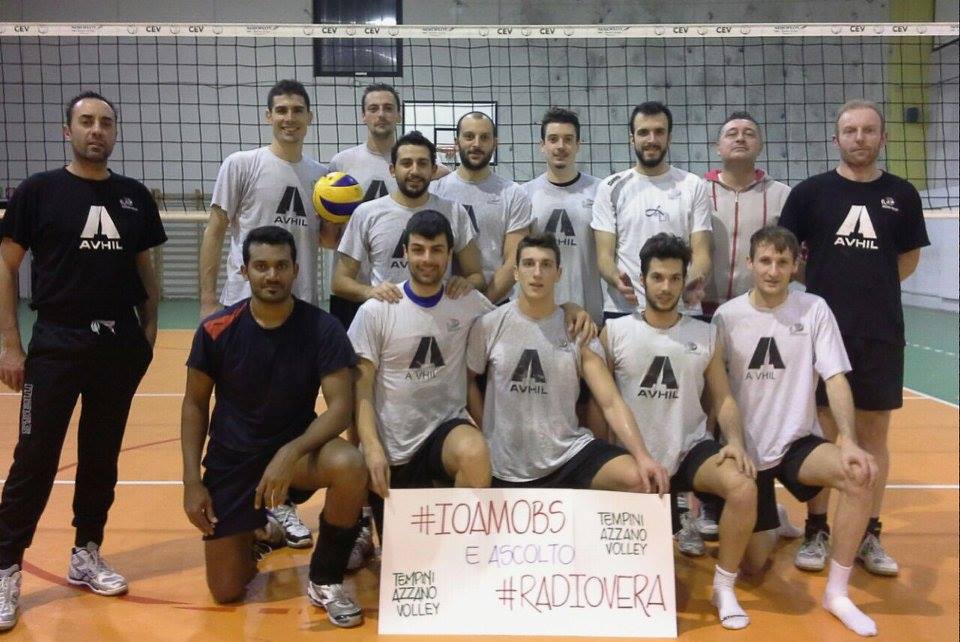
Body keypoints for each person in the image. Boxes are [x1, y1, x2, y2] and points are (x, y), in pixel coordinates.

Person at [0, 91, 166, 631]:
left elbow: (146, 269)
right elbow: (6, 267)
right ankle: (5, 567)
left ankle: (86, 551)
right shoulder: (38, 191)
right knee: (34, 458)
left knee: (101, 455)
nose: (97, 130)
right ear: (66, 130)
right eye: (86, 121)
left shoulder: (134, 196)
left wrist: (147, 332)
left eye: (106, 122)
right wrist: (10, 344)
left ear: (115, 132)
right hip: (57, 342)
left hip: (117, 345)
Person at [181, 226, 368, 628]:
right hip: (233, 461)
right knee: (226, 589)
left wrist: (290, 451)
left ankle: (326, 578)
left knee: (350, 464)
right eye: (261, 266)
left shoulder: (321, 328)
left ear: (295, 269)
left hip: (296, 455)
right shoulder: (216, 329)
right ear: (244, 270)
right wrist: (191, 482)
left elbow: (340, 408)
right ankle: (263, 532)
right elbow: (195, 404)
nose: (272, 275)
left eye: (281, 266)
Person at [779, 100, 929, 576]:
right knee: (825, 431)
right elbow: (784, 254)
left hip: (880, 331)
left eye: (868, 130)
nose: (859, 138)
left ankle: (868, 534)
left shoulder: (902, 194)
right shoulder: (810, 193)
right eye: (850, 130)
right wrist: (826, 282)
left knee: (874, 435)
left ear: (883, 138)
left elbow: (908, 258)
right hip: (822, 334)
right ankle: (817, 529)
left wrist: (871, 286)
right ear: (836, 138)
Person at [715, 225, 879, 637]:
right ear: (750, 263)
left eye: (782, 262)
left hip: (796, 444)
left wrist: (848, 440)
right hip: (748, 454)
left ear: (795, 265)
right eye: (765, 261)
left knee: (860, 475)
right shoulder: (726, 317)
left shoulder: (814, 309)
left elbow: (835, 377)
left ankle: (837, 594)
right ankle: (775, 519)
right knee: (754, 565)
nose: (773, 271)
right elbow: (715, 391)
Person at [602, 233, 757, 630]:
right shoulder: (616, 332)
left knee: (743, 487)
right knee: (642, 579)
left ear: (685, 279)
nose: (666, 287)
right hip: (634, 458)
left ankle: (724, 587)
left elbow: (723, 397)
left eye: (674, 278)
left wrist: (735, 442)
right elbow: (598, 403)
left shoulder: (704, 334)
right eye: (657, 277)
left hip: (689, 449)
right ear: (642, 279)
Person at [199, 79, 327, 548]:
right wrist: (208, 302)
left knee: (294, 410)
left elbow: (328, 239)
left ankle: (280, 502)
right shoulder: (242, 164)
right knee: (241, 410)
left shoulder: (323, 176)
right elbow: (215, 230)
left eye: (297, 110)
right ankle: (243, 502)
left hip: (301, 309)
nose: (289, 118)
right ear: (268, 116)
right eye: (281, 110)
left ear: (309, 117)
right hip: (244, 307)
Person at [466, 233, 669, 496]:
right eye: (528, 264)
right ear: (515, 272)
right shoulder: (489, 325)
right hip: (504, 465)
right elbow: (467, 380)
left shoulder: (577, 330)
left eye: (546, 265)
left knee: (638, 479)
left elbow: (610, 401)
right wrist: (486, 432)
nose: (537, 273)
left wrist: (642, 456)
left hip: (567, 456)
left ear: (559, 273)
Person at [349, 211, 495, 534]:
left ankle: (459, 551)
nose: (427, 259)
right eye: (418, 250)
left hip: (444, 434)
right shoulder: (377, 309)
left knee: (474, 452)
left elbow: (515, 321)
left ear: (449, 253)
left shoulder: (466, 301)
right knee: (402, 555)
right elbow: (362, 389)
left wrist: (569, 310)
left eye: (436, 250)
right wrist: (370, 447)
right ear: (405, 252)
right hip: (394, 449)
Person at [696, 111, 797, 543]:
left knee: (754, 410)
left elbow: (793, 253)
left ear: (759, 144)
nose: (740, 138)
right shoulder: (697, 190)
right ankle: (707, 500)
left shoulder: (782, 195)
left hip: (759, 317)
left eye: (749, 133)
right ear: (718, 145)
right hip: (704, 313)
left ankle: (765, 502)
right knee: (708, 408)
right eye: (731, 133)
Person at [327, 82, 452, 331]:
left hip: (406, 286)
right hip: (355, 288)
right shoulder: (341, 162)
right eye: (373, 108)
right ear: (363, 115)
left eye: (388, 108)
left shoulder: (426, 168)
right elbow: (329, 230)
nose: (381, 114)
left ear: (399, 114)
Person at [332, 130, 485, 305]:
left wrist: (467, 283)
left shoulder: (454, 212)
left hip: (439, 316)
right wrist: (370, 291)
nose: (414, 171)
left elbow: (477, 276)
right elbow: (339, 282)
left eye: (422, 164)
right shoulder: (366, 213)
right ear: (392, 170)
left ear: (433, 170)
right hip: (386, 315)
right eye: (406, 163)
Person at [592, 101, 712, 320]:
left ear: (669, 137)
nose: (651, 140)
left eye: (659, 132)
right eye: (643, 132)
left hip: (681, 308)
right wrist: (616, 279)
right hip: (626, 309)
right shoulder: (610, 187)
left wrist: (692, 282)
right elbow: (604, 256)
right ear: (632, 138)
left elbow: (701, 252)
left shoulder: (693, 185)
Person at [431, 112, 532, 303]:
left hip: (494, 303)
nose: (476, 144)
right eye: (469, 136)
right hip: (440, 304)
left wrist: (482, 306)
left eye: (484, 137)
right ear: (456, 142)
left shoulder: (513, 193)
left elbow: (513, 260)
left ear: (495, 143)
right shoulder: (435, 190)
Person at [523, 107, 603, 323]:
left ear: (578, 145)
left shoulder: (600, 191)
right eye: (553, 139)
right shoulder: (525, 194)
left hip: (588, 313)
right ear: (542, 145)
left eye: (568, 139)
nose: (560, 146)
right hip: (538, 314)